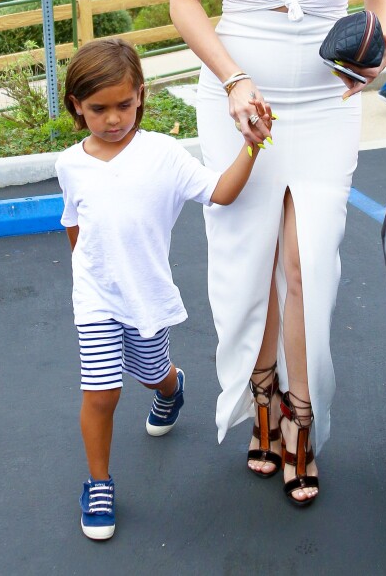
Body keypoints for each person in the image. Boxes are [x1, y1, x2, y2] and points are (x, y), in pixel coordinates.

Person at [170, 0, 386, 506]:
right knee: (248, 270)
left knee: (307, 269)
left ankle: (300, 415)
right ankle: (258, 396)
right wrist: (232, 80)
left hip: (326, 107)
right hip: (241, 105)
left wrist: (379, 46)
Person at [55, 38, 266, 540]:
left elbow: (220, 192)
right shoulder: (69, 163)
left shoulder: (163, 155)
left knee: (153, 372)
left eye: (124, 105)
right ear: (77, 108)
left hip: (146, 296)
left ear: (141, 96)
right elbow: (73, 222)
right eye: (98, 109)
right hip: (96, 299)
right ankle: (99, 481)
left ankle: (172, 388)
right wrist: (91, 274)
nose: (113, 119)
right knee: (101, 392)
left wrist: (252, 147)